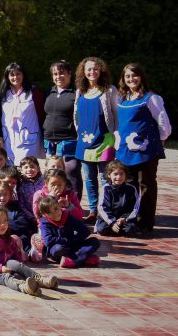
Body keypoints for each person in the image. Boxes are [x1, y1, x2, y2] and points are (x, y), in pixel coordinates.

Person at [115, 63, 170, 234]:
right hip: (125, 150)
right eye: (128, 76)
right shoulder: (122, 100)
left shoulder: (151, 98)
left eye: (134, 75)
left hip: (146, 150)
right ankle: (130, 219)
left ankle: (145, 222)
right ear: (124, 79)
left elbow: (163, 122)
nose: (131, 79)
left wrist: (160, 140)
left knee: (146, 185)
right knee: (129, 186)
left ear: (141, 77)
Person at [0, 205, 58, 296]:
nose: (3, 224)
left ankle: (40, 279)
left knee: (16, 264)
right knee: (5, 277)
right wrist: (0, 268)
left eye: (5, 221)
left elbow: (14, 255)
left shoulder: (7, 238)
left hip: (4, 264)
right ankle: (23, 286)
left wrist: (18, 263)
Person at [73, 56, 119, 220]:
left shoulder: (110, 90)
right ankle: (93, 211)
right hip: (84, 143)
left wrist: (116, 137)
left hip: (104, 141)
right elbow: (76, 117)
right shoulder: (80, 91)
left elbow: (116, 114)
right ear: (83, 72)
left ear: (101, 71)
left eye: (95, 69)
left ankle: (105, 209)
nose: (92, 72)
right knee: (89, 179)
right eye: (89, 69)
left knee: (104, 178)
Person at [42, 60, 83, 201]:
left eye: (61, 73)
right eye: (55, 74)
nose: (58, 76)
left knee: (71, 173)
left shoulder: (76, 93)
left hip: (69, 139)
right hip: (49, 141)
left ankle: (74, 206)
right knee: (51, 174)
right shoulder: (49, 92)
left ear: (69, 74)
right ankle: (52, 203)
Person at [37, 195, 101, 269]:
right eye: (49, 212)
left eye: (56, 209)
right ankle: (83, 259)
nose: (55, 213)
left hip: (72, 245)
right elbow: (48, 241)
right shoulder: (44, 224)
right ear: (45, 215)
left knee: (94, 241)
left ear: (59, 206)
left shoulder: (67, 217)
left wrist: (74, 239)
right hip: (59, 249)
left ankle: (73, 261)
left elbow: (85, 231)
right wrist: (66, 240)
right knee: (58, 249)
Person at [0, 62, 44, 164]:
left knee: (27, 165)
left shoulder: (33, 91)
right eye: (12, 75)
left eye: (18, 74)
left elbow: (41, 113)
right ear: (7, 77)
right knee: (11, 164)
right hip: (9, 137)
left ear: (23, 75)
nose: (15, 77)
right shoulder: (4, 93)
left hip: (29, 136)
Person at [96, 161, 141, 237]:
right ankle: (114, 228)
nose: (119, 177)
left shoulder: (131, 189)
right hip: (109, 219)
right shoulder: (106, 188)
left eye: (121, 174)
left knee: (131, 229)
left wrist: (124, 218)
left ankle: (117, 229)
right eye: (115, 174)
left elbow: (135, 208)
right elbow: (102, 207)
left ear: (125, 175)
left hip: (124, 220)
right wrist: (112, 222)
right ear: (109, 175)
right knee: (101, 229)